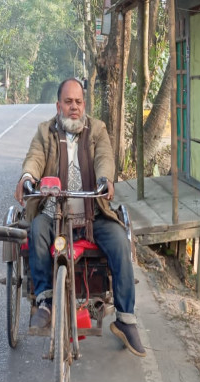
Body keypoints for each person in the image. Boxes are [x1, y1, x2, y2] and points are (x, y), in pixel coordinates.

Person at [14, 78, 145, 357]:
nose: (74, 107)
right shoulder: (44, 131)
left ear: (84, 104)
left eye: (79, 102)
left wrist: (104, 178)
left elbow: (105, 158)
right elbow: (34, 158)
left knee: (121, 242)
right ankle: (45, 301)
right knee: (36, 230)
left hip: (91, 213)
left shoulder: (97, 129)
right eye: (68, 102)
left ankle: (126, 318)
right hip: (53, 211)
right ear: (58, 104)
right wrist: (28, 177)